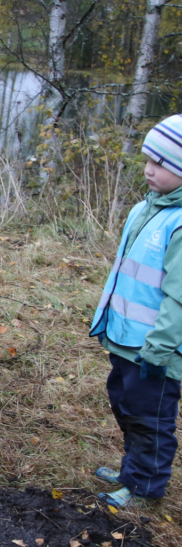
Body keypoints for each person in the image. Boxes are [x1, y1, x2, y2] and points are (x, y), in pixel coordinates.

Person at [89, 114, 182, 509]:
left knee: (151, 419)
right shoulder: (148, 209)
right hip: (128, 340)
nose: (149, 169)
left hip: (155, 351)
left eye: (161, 164)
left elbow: (178, 298)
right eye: (147, 159)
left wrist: (159, 348)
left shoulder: (177, 224)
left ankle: (144, 489)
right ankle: (133, 470)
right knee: (126, 406)